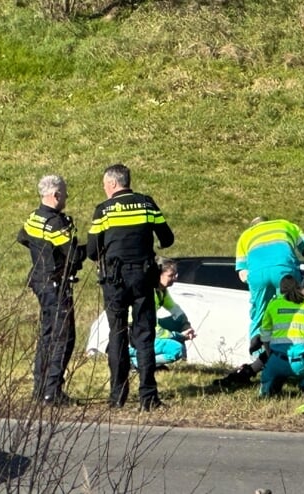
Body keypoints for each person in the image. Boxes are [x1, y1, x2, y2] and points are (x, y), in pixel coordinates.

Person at [87, 163, 174, 411]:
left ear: (113, 184)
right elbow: (167, 239)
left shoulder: (104, 210)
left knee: (117, 335)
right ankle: (148, 396)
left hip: (114, 279)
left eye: (105, 185)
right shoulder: (147, 204)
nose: (104, 189)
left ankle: (117, 396)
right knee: (145, 335)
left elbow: (93, 251)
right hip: (143, 277)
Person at [214, 217, 304, 386]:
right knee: (291, 313)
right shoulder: (286, 225)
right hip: (284, 269)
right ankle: (294, 360)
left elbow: (243, 275)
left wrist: (260, 285)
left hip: (257, 274)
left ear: (254, 226)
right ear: (268, 222)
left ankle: (260, 361)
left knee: (260, 317)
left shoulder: (246, 235)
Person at [17, 174, 85, 406]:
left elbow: (22, 237)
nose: (66, 197)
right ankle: (52, 392)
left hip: (39, 281)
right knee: (63, 337)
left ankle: (40, 388)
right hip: (56, 283)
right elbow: (73, 255)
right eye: (65, 193)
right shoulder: (55, 223)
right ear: (55, 195)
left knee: (47, 336)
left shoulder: (33, 218)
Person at [258, 275, 304, 397]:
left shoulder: (273, 305)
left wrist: (269, 354)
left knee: (267, 376)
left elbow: (265, 334)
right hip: (303, 362)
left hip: (278, 360)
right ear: (299, 288)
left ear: (281, 289)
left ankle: (266, 390)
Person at [128, 257, 196, 369]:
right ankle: (134, 361)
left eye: (176, 275)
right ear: (159, 274)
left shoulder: (162, 291)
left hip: (147, 329)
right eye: (171, 275)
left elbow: (176, 310)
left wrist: (186, 327)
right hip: (139, 332)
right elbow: (156, 329)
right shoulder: (150, 294)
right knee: (176, 349)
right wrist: (179, 336)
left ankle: (148, 360)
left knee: (176, 322)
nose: (175, 278)